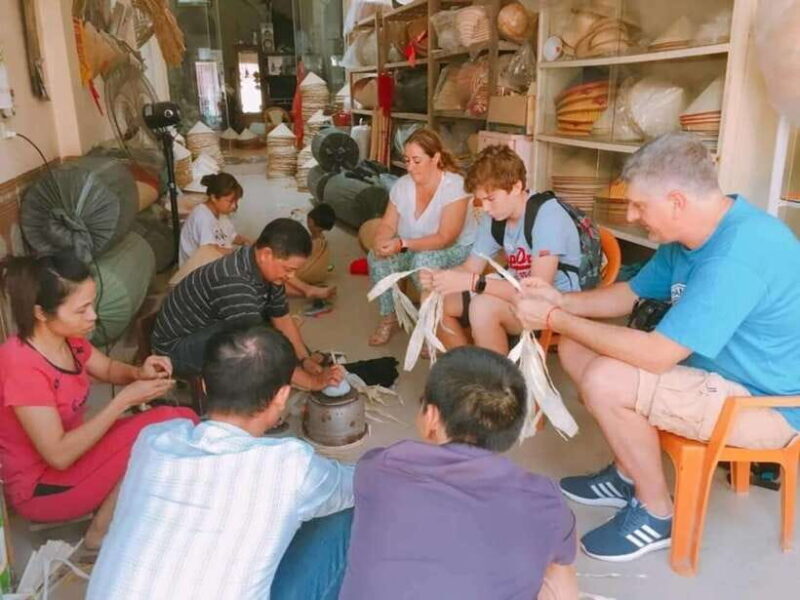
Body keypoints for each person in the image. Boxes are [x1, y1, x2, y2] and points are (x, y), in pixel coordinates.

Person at [514, 132, 800, 562]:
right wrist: (561, 301)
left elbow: (656, 354)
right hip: (710, 375)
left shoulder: (738, 253)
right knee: (574, 346)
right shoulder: (691, 238)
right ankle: (627, 473)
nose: (631, 216)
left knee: (606, 379)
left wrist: (553, 319)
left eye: (639, 206)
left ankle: (656, 513)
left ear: (676, 201)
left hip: (765, 405)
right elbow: (630, 293)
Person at [88, 324, 354, 599]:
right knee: (347, 513)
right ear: (282, 396)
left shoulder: (155, 439)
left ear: (203, 386)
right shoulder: (289, 466)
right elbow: (362, 485)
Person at [339, 346, 578, 600]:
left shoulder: (380, 468)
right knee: (552, 566)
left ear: (431, 417)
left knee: (347, 523)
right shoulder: (545, 499)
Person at [0, 253, 196, 549]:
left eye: (92, 304)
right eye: (82, 310)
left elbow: (107, 369)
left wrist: (138, 372)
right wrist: (123, 401)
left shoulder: (68, 338)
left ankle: (122, 511)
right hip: (42, 488)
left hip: (76, 457)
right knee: (166, 427)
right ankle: (100, 532)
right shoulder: (21, 365)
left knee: (180, 419)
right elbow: (58, 454)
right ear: (41, 313)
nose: (92, 316)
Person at [421, 145, 582, 355]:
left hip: (552, 301)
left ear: (516, 187)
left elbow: (536, 292)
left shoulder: (548, 216)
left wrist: (474, 282)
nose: (485, 208)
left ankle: (495, 375)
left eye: (491, 199)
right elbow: (471, 268)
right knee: (432, 299)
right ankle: (469, 367)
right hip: (513, 289)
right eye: (481, 200)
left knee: (482, 307)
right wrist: (440, 277)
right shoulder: (495, 217)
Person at [152, 218, 343, 391]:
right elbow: (258, 347)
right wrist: (311, 383)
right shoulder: (234, 281)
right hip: (174, 350)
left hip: (207, 327)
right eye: (288, 269)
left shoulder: (269, 271)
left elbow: (282, 319)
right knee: (253, 349)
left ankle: (292, 369)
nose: (291, 276)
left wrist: (304, 359)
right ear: (266, 254)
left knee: (265, 331)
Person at [367, 128, 477, 346]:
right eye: (407, 160)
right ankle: (389, 316)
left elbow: (445, 237)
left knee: (423, 262)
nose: (410, 167)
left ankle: (432, 325)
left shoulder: (454, 186)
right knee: (377, 258)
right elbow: (388, 224)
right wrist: (381, 241)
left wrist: (402, 243)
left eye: (417, 161)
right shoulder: (402, 186)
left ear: (435, 158)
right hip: (412, 245)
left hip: (453, 248)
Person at [179, 172, 251, 265]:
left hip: (214, 262)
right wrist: (238, 254)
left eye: (236, 201)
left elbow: (232, 236)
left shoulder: (222, 214)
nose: (234, 206)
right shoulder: (202, 216)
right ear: (213, 197)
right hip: (198, 268)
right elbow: (209, 251)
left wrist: (250, 242)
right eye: (230, 201)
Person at [286, 203, 337, 301]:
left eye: (308, 220)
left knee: (277, 275)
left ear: (311, 222)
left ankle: (307, 291)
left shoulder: (313, 243)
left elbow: (300, 257)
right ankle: (311, 291)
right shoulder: (323, 240)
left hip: (306, 274)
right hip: (320, 275)